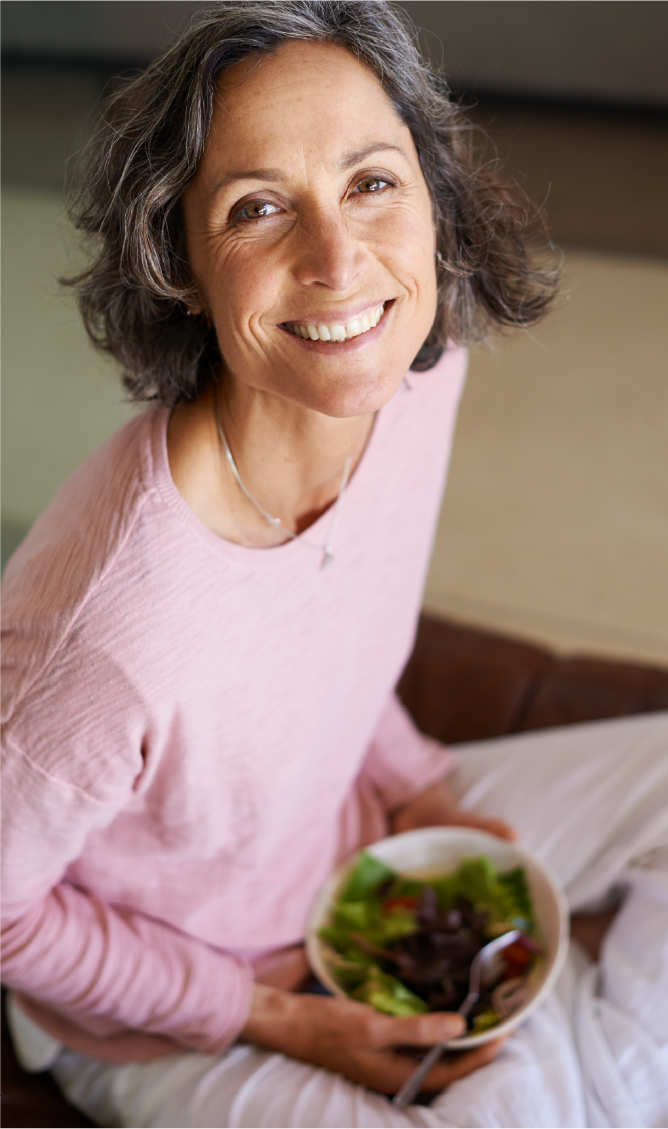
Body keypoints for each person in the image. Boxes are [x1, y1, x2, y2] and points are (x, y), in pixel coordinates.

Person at [1, 2, 667, 1126]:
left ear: (431, 195)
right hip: (173, 990)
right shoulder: (111, 630)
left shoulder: (414, 370)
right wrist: (277, 1018)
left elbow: (322, 640)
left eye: (371, 182)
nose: (338, 262)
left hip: (348, 844)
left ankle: (562, 1077)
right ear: (177, 264)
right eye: (257, 208)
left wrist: (416, 784)